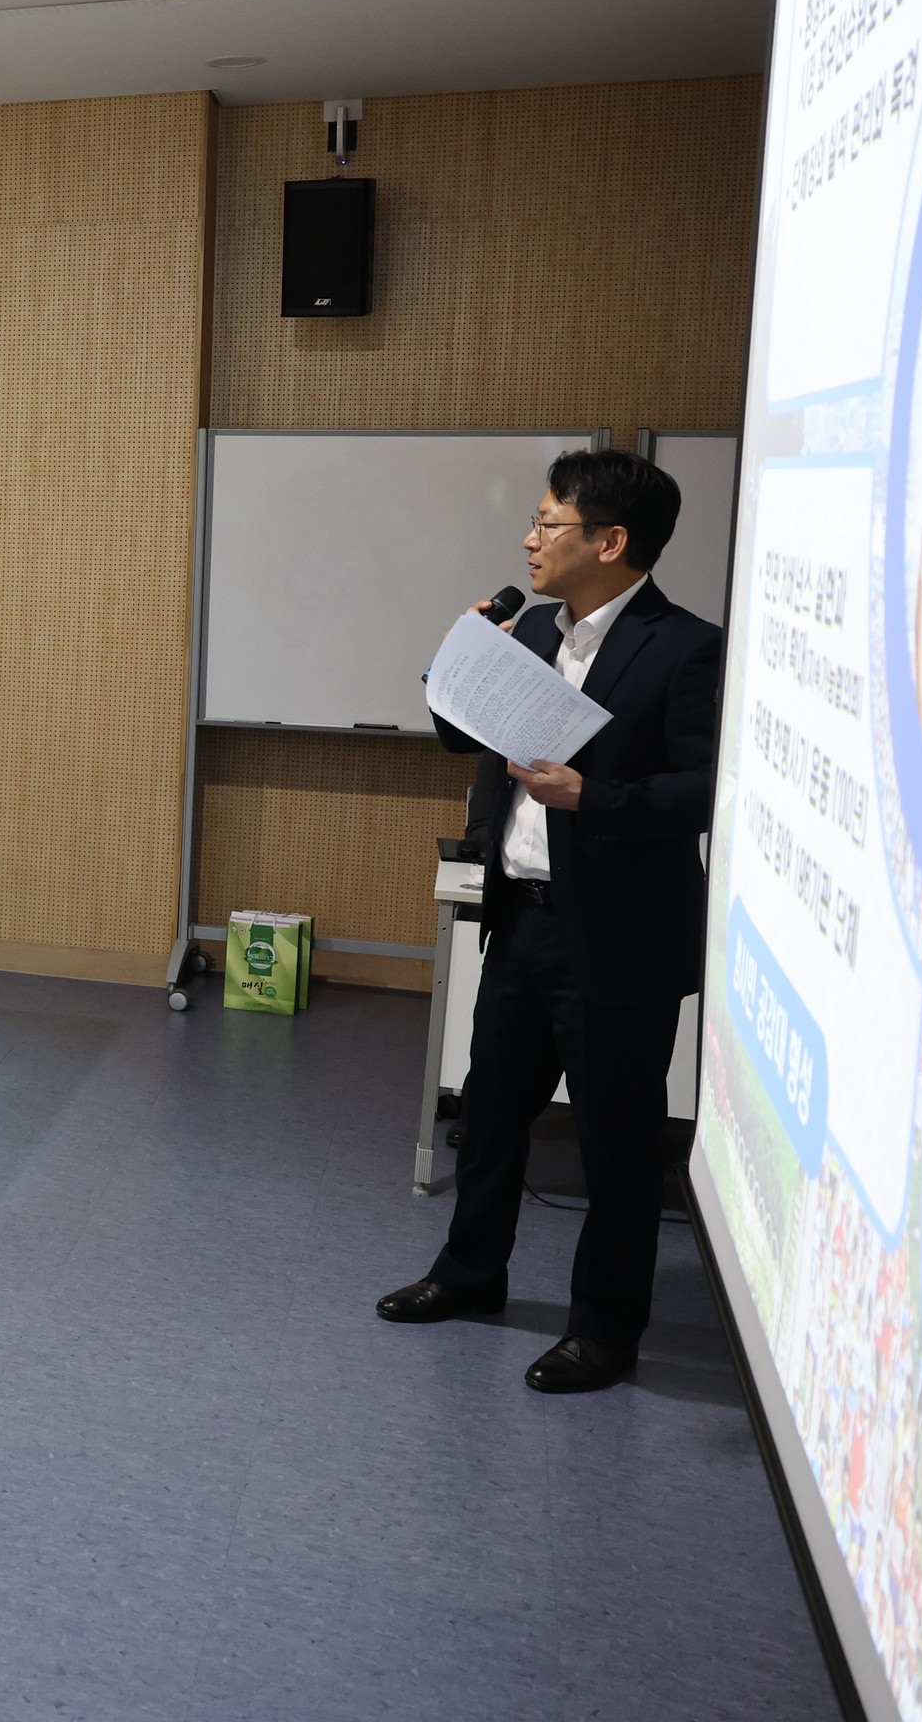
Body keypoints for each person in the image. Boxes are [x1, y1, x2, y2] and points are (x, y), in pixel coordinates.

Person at [377, 449, 721, 1395]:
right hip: (521, 919)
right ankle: (468, 1275)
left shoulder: (686, 647)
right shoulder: (529, 630)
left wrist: (593, 796)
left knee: (615, 1142)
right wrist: (455, 661)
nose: (529, 539)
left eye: (549, 523)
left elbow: (707, 787)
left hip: (615, 938)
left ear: (611, 542)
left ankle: (605, 1329)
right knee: (489, 1116)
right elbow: (465, 732)